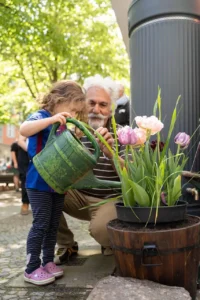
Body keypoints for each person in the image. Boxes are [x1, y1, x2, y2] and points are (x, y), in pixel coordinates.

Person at [20, 80, 86, 286]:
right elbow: (24, 130)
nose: (74, 115)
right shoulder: (42, 116)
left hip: (56, 183)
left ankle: (47, 262)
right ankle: (31, 268)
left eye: (77, 112)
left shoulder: (63, 124)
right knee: (40, 224)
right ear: (59, 99)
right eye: (72, 110)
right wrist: (51, 121)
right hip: (38, 181)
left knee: (52, 224)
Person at [55, 74, 125, 265]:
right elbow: (56, 170)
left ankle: (107, 240)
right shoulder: (71, 132)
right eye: (91, 103)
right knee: (43, 188)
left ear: (111, 110)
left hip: (108, 200)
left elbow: (132, 176)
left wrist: (111, 154)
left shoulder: (122, 135)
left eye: (103, 105)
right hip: (78, 197)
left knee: (102, 232)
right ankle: (66, 243)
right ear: (83, 104)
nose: (96, 109)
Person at [17, 134, 30, 215]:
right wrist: (32, 151)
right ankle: (25, 203)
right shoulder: (31, 122)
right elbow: (20, 141)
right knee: (25, 180)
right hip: (26, 156)